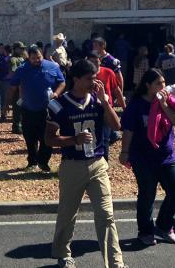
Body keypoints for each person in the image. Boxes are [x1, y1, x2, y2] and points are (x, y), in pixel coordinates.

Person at [45, 59, 125, 268]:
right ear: (76, 79)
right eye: (89, 78)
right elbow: (49, 139)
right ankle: (63, 254)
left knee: (106, 214)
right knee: (68, 213)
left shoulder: (99, 101)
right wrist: (73, 140)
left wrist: (106, 102)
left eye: (95, 77)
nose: (94, 82)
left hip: (98, 163)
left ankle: (115, 263)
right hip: (72, 165)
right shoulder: (58, 104)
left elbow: (116, 125)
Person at [120, 69, 175, 246]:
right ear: (148, 85)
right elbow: (128, 130)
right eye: (158, 83)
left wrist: (164, 105)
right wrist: (124, 152)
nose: (162, 86)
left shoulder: (169, 101)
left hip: (167, 155)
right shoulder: (136, 105)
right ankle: (145, 231)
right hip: (143, 158)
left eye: (164, 83)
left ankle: (164, 225)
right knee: (147, 194)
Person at [9, 45, 65, 172]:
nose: (36, 60)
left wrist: (56, 93)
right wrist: (7, 104)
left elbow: (62, 82)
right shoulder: (22, 69)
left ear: (42, 55)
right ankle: (32, 162)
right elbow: (13, 86)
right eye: (33, 58)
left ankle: (43, 162)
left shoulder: (52, 66)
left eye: (38, 57)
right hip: (28, 108)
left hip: (48, 109)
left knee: (47, 136)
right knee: (29, 136)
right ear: (29, 58)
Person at [5, 42, 27, 133]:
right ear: (15, 49)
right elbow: (13, 73)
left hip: (22, 85)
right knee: (17, 106)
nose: (22, 50)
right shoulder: (13, 59)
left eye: (23, 48)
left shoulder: (22, 58)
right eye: (20, 48)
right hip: (16, 86)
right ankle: (16, 127)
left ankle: (21, 125)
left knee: (22, 107)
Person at [0, 44, 12, 117]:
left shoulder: (3, 59)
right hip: (8, 80)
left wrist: (1, 71)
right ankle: (5, 113)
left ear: (5, 51)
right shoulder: (14, 58)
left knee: (4, 98)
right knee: (6, 97)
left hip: (4, 80)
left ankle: (3, 113)